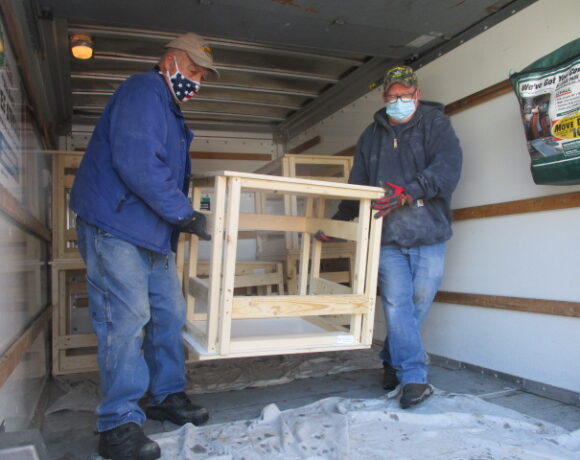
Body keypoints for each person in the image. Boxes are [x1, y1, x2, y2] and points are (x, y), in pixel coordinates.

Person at [69, 32, 218, 460]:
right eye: (192, 72)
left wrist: (176, 219)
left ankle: (166, 395)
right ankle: (117, 423)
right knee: (125, 320)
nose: (197, 82)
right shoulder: (143, 91)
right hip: (114, 226)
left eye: (202, 77)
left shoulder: (169, 110)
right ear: (170, 60)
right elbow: (137, 162)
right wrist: (184, 213)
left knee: (168, 316)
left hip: (150, 232)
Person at [317, 65, 462, 409]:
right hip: (387, 234)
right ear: (383, 96)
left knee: (418, 301)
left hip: (429, 230)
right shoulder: (371, 135)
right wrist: (341, 219)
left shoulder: (436, 124)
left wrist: (408, 192)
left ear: (417, 95)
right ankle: (414, 377)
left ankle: (390, 356)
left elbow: (448, 167)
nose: (398, 101)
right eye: (392, 95)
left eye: (405, 95)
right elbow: (360, 182)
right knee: (397, 304)